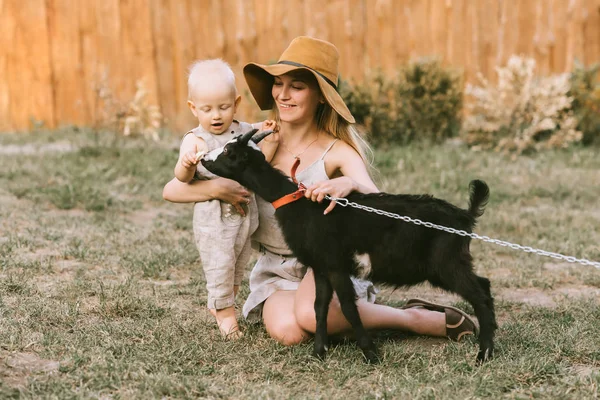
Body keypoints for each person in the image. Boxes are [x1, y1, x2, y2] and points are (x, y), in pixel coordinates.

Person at [163, 37, 477, 346]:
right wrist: (217, 187)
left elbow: (381, 203)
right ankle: (344, 318)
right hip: (278, 271)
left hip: (328, 260)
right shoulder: (256, 141)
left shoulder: (336, 151)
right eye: (278, 83)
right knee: (289, 332)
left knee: (313, 317)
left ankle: (414, 319)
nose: (283, 95)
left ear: (321, 96)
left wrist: (351, 184)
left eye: (297, 86)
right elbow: (173, 188)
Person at [173, 58, 275, 338]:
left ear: (236, 103)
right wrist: (187, 164)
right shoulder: (195, 140)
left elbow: (256, 144)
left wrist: (266, 129)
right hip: (214, 222)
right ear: (194, 108)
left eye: (224, 107)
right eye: (207, 109)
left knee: (238, 264)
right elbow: (181, 178)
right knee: (221, 265)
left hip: (245, 218)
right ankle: (224, 313)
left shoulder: (241, 130)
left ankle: (226, 300)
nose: (216, 115)